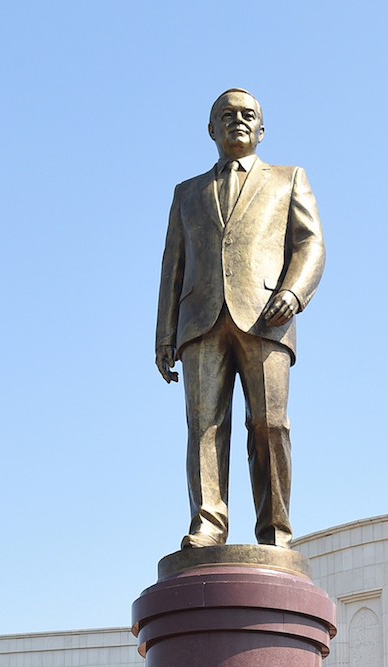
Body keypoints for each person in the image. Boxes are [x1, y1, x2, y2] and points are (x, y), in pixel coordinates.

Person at [155, 89, 325, 549]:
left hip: (269, 315)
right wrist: (163, 334)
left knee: (270, 425)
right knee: (203, 424)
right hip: (199, 320)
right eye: (226, 116)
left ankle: (275, 530)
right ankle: (208, 522)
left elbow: (310, 245)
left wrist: (294, 291)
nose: (238, 121)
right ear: (211, 129)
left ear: (262, 130)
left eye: (248, 115)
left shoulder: (289, 179)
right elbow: (173, 263)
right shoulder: (186, 193)